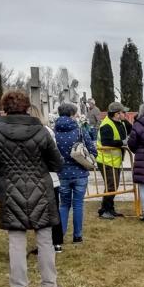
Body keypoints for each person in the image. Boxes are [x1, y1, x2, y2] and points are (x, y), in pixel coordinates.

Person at [0, 90, 63, 287]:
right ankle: (49, 286)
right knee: (45, 240)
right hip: (40, 188)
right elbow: (57, 163)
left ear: (4, 108)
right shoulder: (42, 131)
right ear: (27, 107)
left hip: (10, 189)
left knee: (16, 242)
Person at [54, 103, 97, 243]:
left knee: (64, 204)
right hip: (80, 172)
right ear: (73, 114)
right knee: (78, 204)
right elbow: (92, 149)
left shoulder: (53, 132)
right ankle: (77, 236)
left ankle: (60, 234)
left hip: (62, 173)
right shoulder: (79, 131)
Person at [29, 104, 64, 253]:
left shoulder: (44, 131)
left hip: (45, 176)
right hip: (49, 177)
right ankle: (54, 242)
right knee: (52, 210)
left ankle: (53, 242)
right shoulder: (47, 131)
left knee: (47, 211)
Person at [96, 102, 129, 219]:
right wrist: (122, 143)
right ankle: (104, 210)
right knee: (111, 186)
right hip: (106, 160)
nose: (125, 114)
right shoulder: (106, 125)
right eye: (123, 112)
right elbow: (106, 142)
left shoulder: (120, 123)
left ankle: (109, 209)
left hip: (115, 161)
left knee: (113, 186)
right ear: (117, 114)